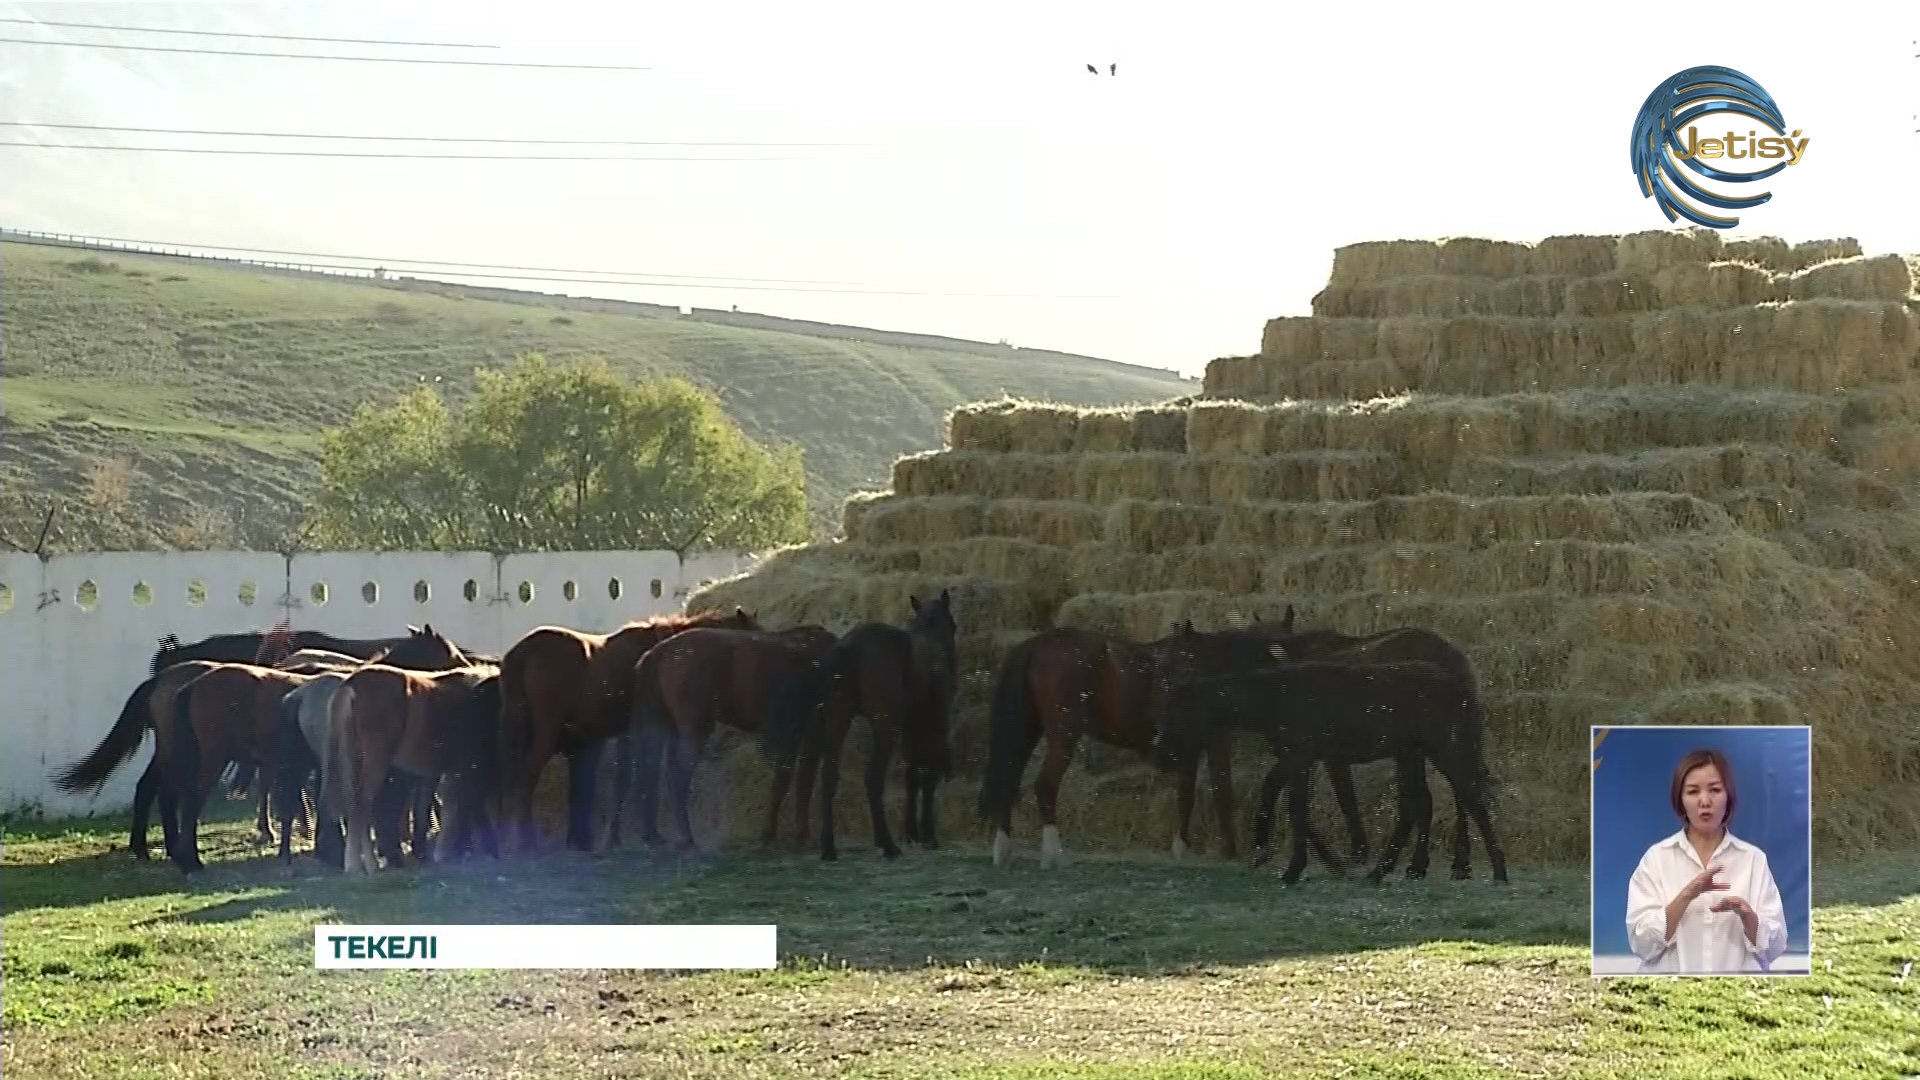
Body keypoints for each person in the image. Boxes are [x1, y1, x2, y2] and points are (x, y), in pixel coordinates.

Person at [1625, 748, 1789, 973]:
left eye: (1714, 790)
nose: (1705, 801)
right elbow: (1641, 943)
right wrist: (1687, 895)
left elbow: (1775, 947)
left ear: (1728, 796)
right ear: (1680, 800)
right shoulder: (1657, 858)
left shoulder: (1753, 860)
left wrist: (1748, 916)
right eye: (1693, 792)